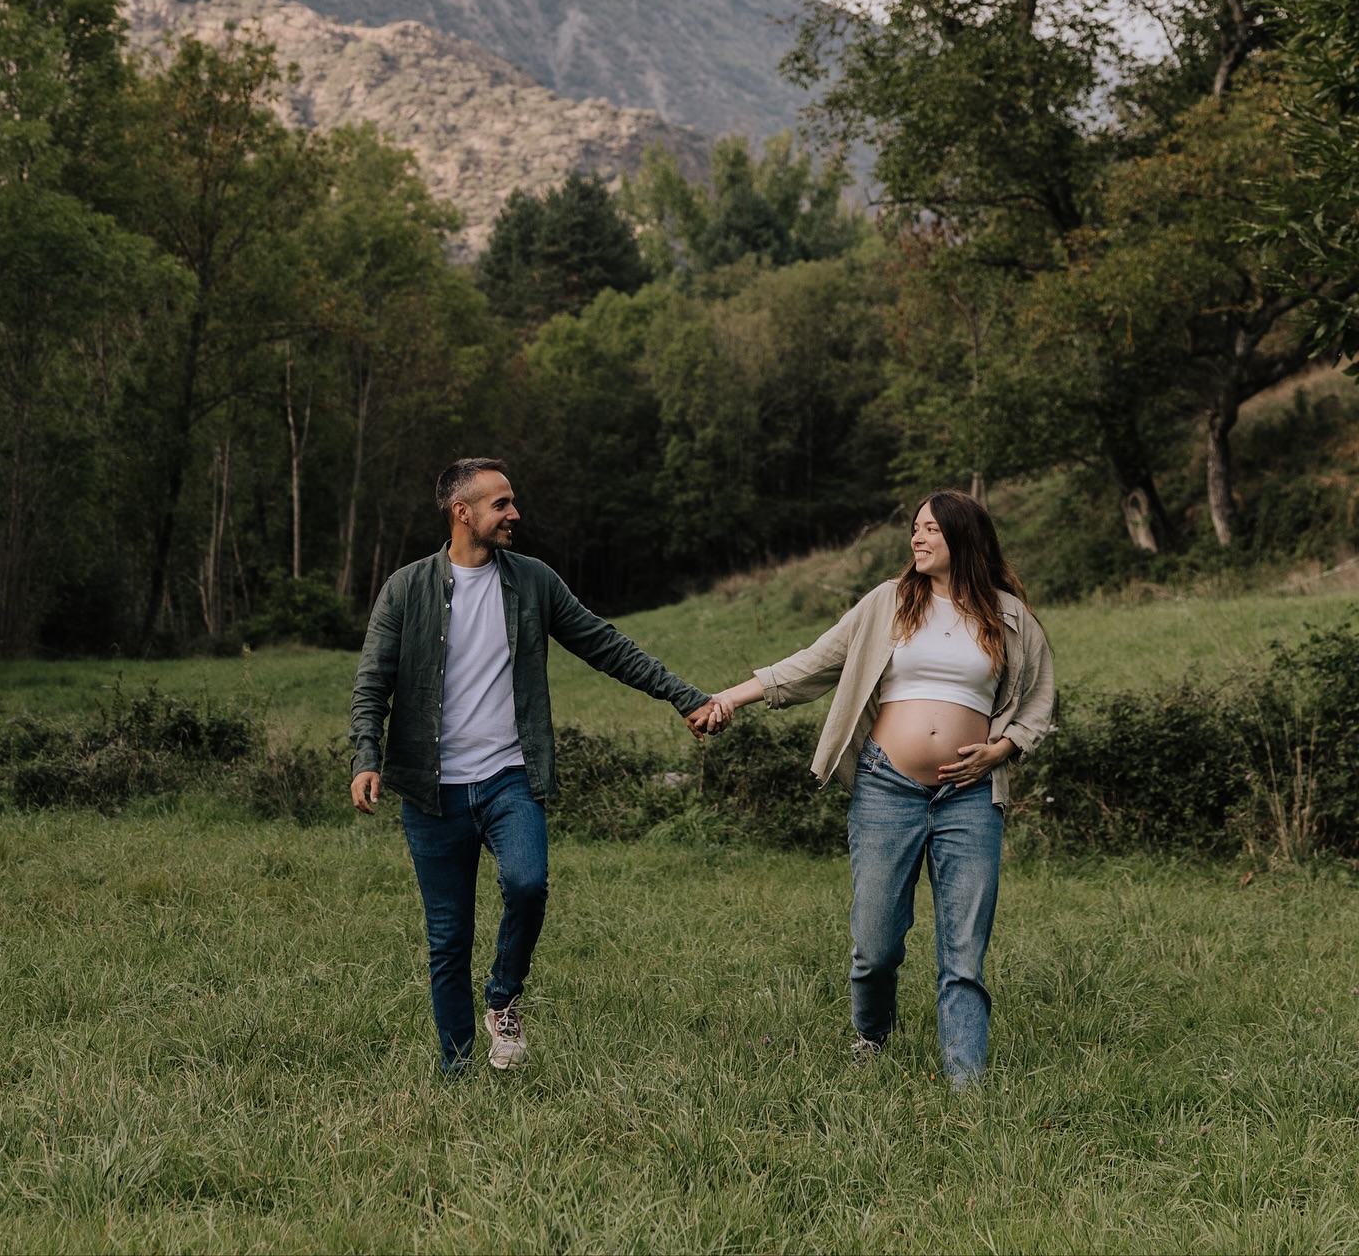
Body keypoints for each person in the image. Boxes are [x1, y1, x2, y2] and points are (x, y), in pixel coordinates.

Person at [350, 458, 712, 1076]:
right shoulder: (406, 589)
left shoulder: (534, 582)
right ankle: (458, 1069)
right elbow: (372, 680)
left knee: (527, 882)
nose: (515, 514)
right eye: (501, 504)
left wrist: (685, 695)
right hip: (431, 791)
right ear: (462, 513)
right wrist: (366, 754)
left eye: (512, 503)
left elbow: (606, 645)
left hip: (508, 777)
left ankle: (503, 998)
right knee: (448, 937)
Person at [696, 491, 1054, 1086]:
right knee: (876, 944)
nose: (917, 539)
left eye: (931, 529)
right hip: (888, 788)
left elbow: (1037, 705)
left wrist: (1002, 748)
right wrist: (729, 698)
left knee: (964, 950)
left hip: (970, 796)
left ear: (964, 538)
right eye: (914, 529)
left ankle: (966, 1084)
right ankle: (872, 1033)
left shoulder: (1010, 616)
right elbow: (810, 665)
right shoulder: (888, 604)